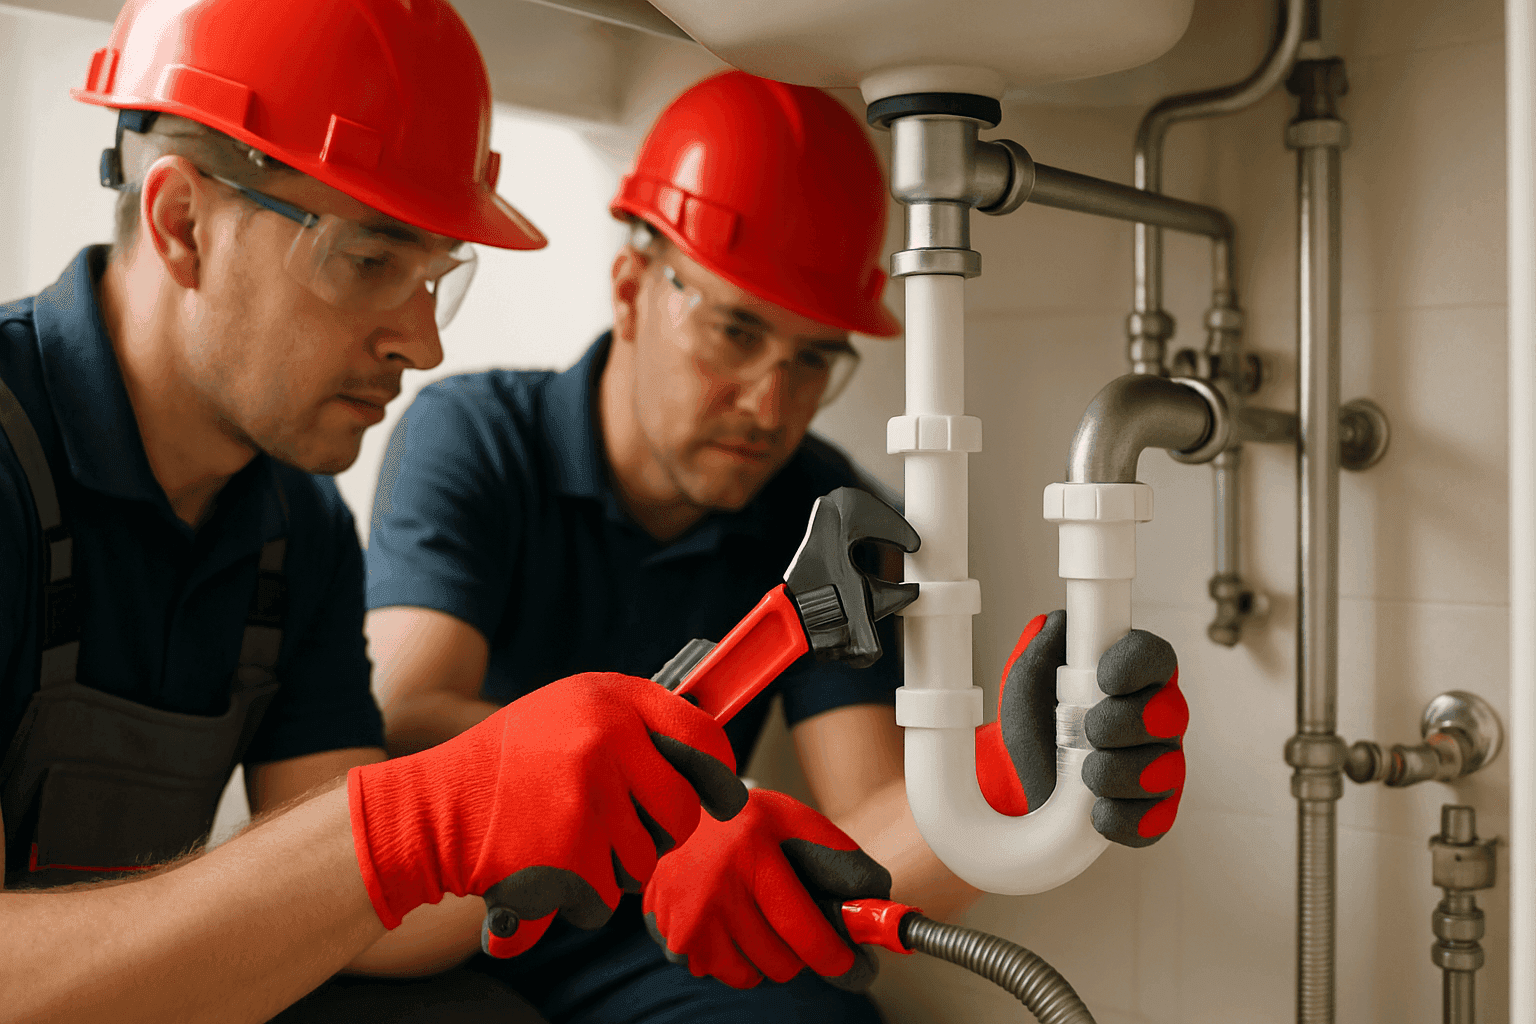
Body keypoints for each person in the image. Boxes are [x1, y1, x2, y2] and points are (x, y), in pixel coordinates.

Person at [365, 70, 1190, 1024]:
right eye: (735, 331)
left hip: (657, 936)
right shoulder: (472, 435)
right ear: (632, 288)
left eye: (811, 359)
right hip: (452, 911)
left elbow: (857, 840)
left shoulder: (818, 508)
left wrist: (1010, 778)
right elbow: (406, 719)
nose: (768, 405)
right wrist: (673, 806)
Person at [0, 2, 751, 1021]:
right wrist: (420, 820)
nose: (424, 343)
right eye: (369, 261)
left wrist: (666, 837)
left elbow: (372, 913)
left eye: (438, 274)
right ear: (183, 224)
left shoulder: (292, 521)